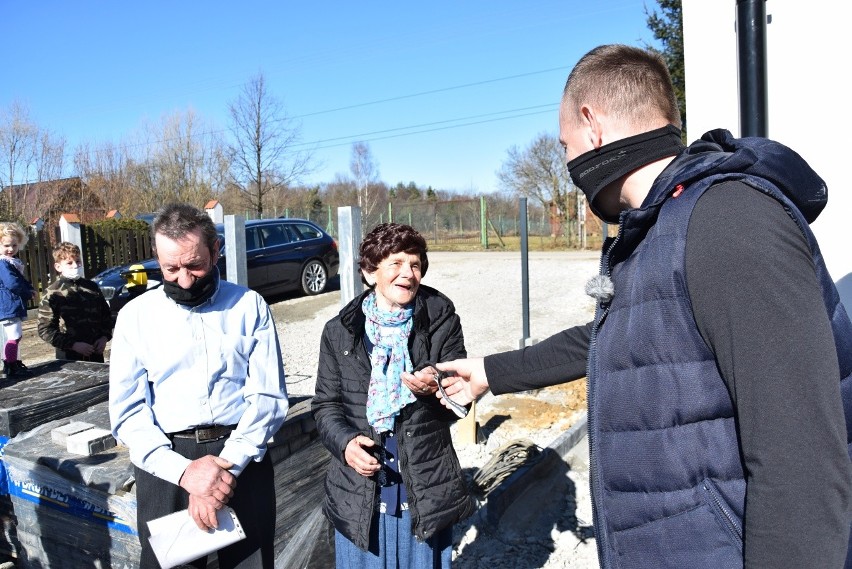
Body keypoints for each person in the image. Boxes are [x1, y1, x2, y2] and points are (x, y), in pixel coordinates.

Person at [423, 44, 852, 569]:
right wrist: (488, 373)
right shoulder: (659, 228)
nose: (566, 163)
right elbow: (611, 337)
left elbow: (802, 465)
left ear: (591, 126)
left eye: (564, 146)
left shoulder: (728, 219)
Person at [108, 203, 289, 569]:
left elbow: (268, 398)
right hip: (166, 464)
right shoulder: (135, 317)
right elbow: (127, 413)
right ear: (157, 257)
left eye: (195, 265)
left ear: (216, 250)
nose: (185, 280)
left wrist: (224, 471)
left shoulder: (248, 307)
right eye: (170, 269)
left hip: (241, 458)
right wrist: (186, 473)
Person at [312, 222, 475, 568]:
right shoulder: (340, 332)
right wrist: (345, 444)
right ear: (370, 272)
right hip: (360, 493)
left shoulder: (440, 318)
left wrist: (438, 391)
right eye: (396, 264)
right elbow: (326, 405)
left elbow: (460, 400)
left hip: (423, 486)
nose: (408, 274)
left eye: (415, 264)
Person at [37, 242, 113, 362]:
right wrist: (73, 345)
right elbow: (45, 330)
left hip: (95, 352)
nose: (75, 266)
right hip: (69, 356)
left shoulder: (91, 287)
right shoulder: (53, 292)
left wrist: (104, 337)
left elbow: (106, 316)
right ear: (58, 267)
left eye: (78, 262)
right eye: (69, 263)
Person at [0, 221, 35, 379]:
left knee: (14, 336)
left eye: (14, 245)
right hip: (8, 304)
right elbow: (13, 283)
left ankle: (11, 362)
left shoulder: (10, 262)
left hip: (10, 303)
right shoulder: (3, 263)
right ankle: (11, 365)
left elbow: (19, 279)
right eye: (7, 245)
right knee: (14, 336)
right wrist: (27, 292)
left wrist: (29, 287)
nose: (11, 249)